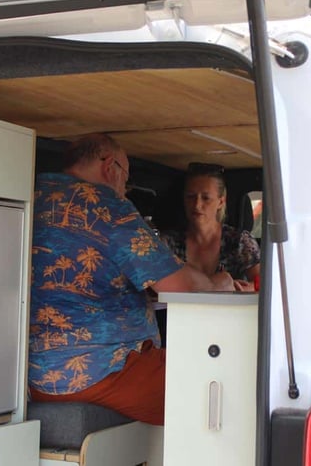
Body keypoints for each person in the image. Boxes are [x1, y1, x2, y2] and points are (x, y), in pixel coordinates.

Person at [27, 134, 234, 426]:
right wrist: (219, 284)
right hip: (102, 370)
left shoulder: (33, 190)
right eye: (126, 179)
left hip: (35, 377)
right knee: (223, 385)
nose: (124, 189)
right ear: (110, 167)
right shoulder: (106, 204)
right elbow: (181, 287)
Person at [161, 162, 261, 291]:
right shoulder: (168, 242)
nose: (197, 205)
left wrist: (241, 289)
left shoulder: (239, 241)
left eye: (206, 198)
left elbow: (263, 283)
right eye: (191, 197)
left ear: (221, 202)